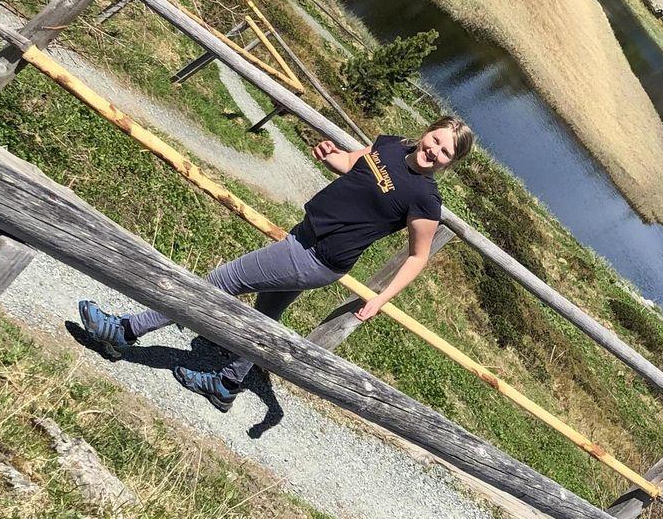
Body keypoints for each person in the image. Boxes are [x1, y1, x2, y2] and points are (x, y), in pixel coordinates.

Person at [75, 119, 474, 411]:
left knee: (222, 280)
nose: (435, 151)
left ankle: (126, 330)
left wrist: (381, 299)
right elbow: (354, 163)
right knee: (265, 317)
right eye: (436, 140)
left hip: (317, 259)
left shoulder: (425, 199)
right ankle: (226, 384)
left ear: (449, 164)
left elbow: (417, 256)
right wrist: (330, 156)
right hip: (305, 234)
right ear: (427, 132)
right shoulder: (390, 145)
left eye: (445, 153)